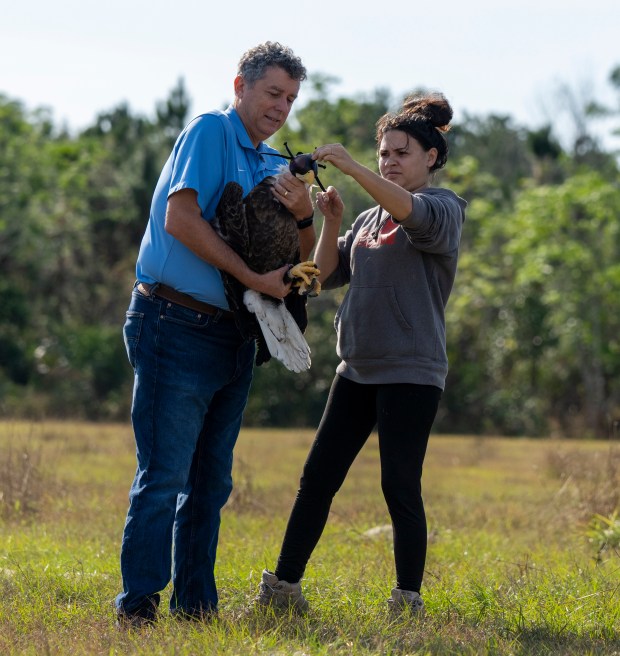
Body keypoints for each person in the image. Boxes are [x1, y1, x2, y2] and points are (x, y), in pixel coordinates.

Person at [115, 42, 315, 627]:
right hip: (173, 321)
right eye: (273, 93)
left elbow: (299, 259)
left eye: (291, 99)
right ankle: (139, 608)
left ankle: (196, 608)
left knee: (211, 483)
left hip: (234, 333)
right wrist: (253, 276)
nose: (282, 108)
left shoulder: (268, 162)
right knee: (165, 475)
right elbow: (181, 219)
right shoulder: (209, 132)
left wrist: (306, 215)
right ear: (241, 86)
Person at [255, 93, 467, 615]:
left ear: (430, 158)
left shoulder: (442, 209)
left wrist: (348, 166)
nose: (389, 161)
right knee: (317, 478)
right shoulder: (371, 220)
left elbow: (410, 209)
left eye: (401, 153)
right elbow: (323, 277)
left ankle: (407, 602)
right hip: (358, 369)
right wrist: (330, 222)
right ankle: (283, 592)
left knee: (398, 484)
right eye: (383, 153)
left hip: (412, 372)